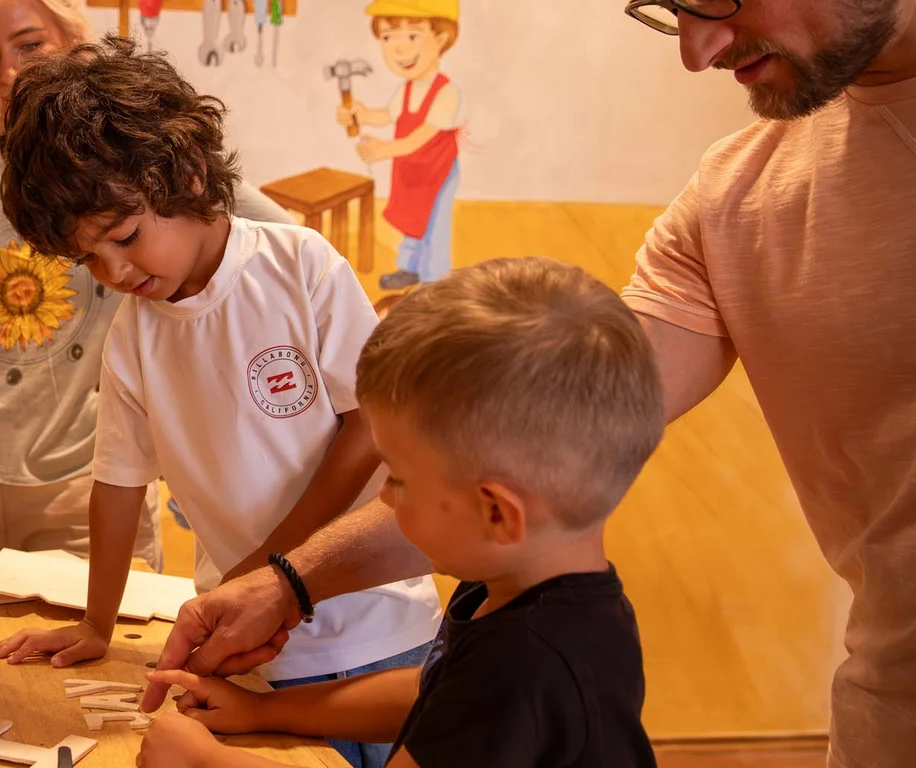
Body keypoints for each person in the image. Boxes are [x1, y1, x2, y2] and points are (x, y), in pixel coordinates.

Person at [146, 3, 916, 765]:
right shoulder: (517, 596)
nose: (695, 49)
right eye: (669, 9)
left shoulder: (535, 642)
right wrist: (286, 592)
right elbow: (537, 441)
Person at [0, 37, 442, 768]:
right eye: (89, 260)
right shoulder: (134, 337)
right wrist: (98, 623)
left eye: (127, 237)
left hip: (381, 632)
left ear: (188, 174)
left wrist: (268, 568)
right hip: (249, 654)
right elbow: (117, 482)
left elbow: (371, 429)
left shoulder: (301, 266)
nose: (115, 271)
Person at [137, 258, 660, 768]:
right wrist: (263, 709)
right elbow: (434, 692)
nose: (384, 499)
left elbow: (470, 697)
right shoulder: (536, 595)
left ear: (497, 513)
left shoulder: (525, 665)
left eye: (400, 479)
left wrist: (205, 762)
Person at [0, 0, 292, 569]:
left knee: (103, 653)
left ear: (73, 41)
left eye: (30, 46)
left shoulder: (132, 165)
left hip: (92, 488)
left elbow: (280, 249)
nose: (10, 71)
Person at [339, 0, 462, 290]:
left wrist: (383, 150)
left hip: (438, 171)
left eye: (412, 36)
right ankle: (409, 267)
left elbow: (420, 138)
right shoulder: (406, 89)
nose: (398, 48)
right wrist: (358, 113)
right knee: (411, 218)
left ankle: (434, 280)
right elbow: (386, 116)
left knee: (434, 224)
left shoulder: (446, 93)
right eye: (387, 37)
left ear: (441, 38)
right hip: (411, 170)